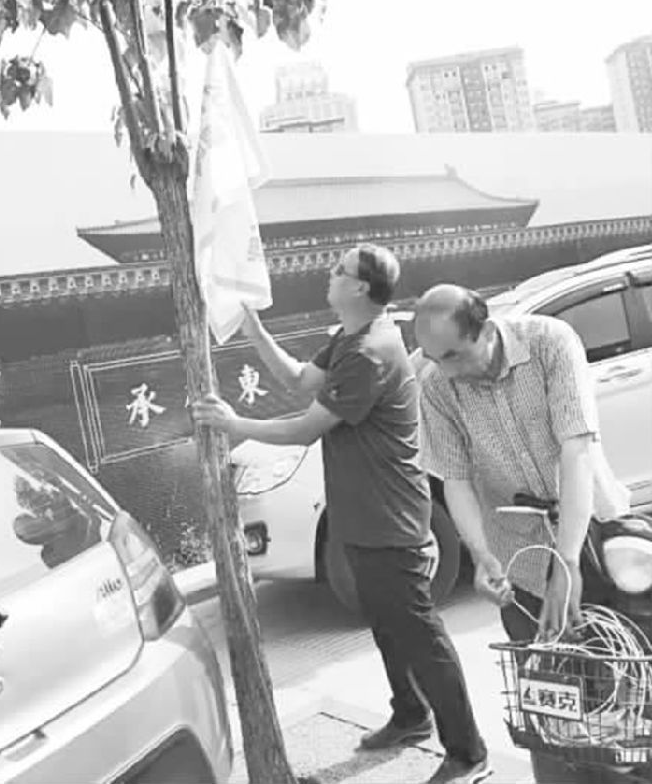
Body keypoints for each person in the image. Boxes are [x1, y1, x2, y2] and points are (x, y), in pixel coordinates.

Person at [193, 246, 490, 784]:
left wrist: (234, 425)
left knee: (419, 633)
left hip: (390, 518)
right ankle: (410, 715)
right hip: (361, 515)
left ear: (360, 288)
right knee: (386, 625)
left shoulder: (371, 351)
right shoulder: (350, 339)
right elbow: (299, 380)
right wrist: (253, 327)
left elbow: (306, 427)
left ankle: (468, 751)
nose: (328, 276)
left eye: (338, 271)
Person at [413, 284, 632, 784]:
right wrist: (483, 556)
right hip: (520, 561)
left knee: (623, 689)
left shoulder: (551, 343)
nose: (446, 370)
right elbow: (456, 481)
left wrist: (568, 562)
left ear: (486, 330)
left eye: (454, 355)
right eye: (433, 358)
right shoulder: (437, 386)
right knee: (550, 707)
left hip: (594, 537)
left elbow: (576, 451)